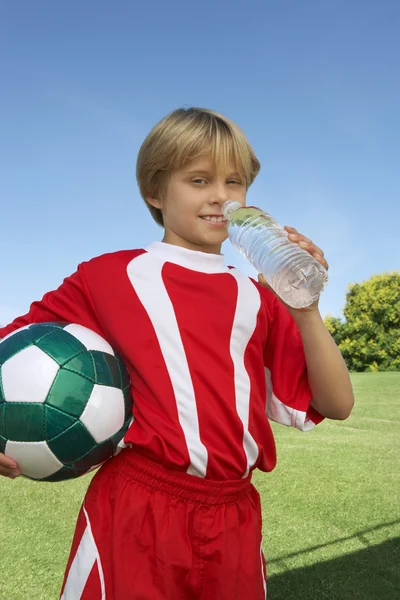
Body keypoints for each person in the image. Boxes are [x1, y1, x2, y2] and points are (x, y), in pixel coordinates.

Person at [0, 107, 354, 599]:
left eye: (235, 182)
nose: (221, 197)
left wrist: (307, 309)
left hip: (234, 514)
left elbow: (337, 405)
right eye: (199, 179)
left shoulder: (262, 297)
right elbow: (11, 352)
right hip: (137, 510)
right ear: (155, 191)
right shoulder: (107, 277)